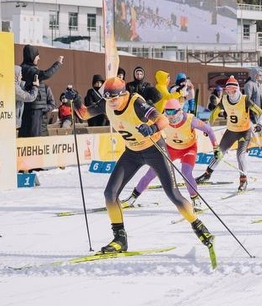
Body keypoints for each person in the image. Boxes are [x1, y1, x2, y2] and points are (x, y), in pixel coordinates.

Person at [72, 76, 214, 254]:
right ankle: (119, 239)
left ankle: (199, 227)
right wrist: (76, 99)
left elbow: (163, 120)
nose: (111, 103)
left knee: (172, 193)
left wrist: (152, 128)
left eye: (114, 98)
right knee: (110, 194)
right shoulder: (108, 103)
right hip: (132, 153)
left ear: (123, 94)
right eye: (108, 99)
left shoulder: (136, 103)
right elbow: (84, 114)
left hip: (154, 150)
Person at [119, 98, 218, 212]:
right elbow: (146, 124)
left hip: (188, 149)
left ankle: (196, 200)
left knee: (186, 173)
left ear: (179, 111)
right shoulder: (163, 119)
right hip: (170, 149)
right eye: (166, 112)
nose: (169, 116)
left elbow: (209, 130)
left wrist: (216, 148)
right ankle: (132, 198)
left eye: (172, 112)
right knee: (151, 173)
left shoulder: (190, 120)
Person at [195, 76, 262, 191]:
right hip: (231, 131)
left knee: (240, 154)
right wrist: (208, 126)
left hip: (244, 131)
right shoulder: (224, 99)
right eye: (228, 90)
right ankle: (207, 175)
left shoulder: (245, 99)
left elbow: (260, 112)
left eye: (233, 90)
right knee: (219, 153)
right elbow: (214, 113)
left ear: (237, 89)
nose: (230, 93)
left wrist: (259, 124)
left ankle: (243, 180)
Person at [19, 45, 62, 137]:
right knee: (34, 138)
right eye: (37, 55)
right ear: (32, 56)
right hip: (33, 110)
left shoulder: (28, 68)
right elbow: (45, 74)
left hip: (36, 109)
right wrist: (58, 63)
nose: (39, 58)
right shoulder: (28, 69)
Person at [14, 66, 38, 135]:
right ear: (16, 75)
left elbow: (21, 89)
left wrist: (30, 84)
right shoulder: (14, 88)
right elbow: (30, 97)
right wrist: (35, 87)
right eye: (20, 74)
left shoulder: (16, 86)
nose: (21, 76)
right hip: (13, 122)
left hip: (14, 121)